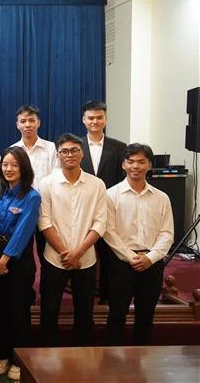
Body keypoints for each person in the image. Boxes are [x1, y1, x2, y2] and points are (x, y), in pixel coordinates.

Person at [38, 133, 107, 346]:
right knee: (49, 312)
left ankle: (83, 362)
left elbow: (100, 223)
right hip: (54, 258)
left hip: (85, 260)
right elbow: (44, 222)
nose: (70, 154)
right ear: (58, 155)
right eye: (65, 151)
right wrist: (65, 252)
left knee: (85, 314)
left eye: (74, 150)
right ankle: (46, 363)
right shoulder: (47, 183)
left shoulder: (97, 185)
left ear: (82, 153)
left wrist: (78, 252)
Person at [0, 147, 40, 381]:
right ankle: (0, 355)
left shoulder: (32, 196)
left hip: (18, 260)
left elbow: (23, 231)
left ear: (23, 167)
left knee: (18, 309)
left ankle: (19, 359)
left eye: (14, 164)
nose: (9, 168)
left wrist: (5, 259)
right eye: (5, 164)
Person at [103, 143, 174, 345]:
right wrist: (130, 257)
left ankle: (142, 364)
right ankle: (113, 365)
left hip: (152, 263)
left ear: (149, 165)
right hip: (121, 263)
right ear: (123, 165)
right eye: (131, 161)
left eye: (141, 162)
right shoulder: (111, 195)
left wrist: (149, 258)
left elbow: (167, 233)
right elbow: (108, 231)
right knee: (116, 315)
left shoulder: (162, 198)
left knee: (146, 316)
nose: (136, 166)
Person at [80, 100, 127, 304]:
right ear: (84, 120)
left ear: (106, 119)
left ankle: (107, 298)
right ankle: (84, 296)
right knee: (84, 254)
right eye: (91, 118)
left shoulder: (119, 147)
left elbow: (121, 180)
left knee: (109, 256)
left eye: (99, 118)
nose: (95, 121)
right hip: (82, 211)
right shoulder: (75, 146)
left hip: (110, 211)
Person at [9, 104, 58, 297]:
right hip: (20, 212)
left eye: (31, 120)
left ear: (38, 123)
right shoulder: (13, 150)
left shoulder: (51, 148)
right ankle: (26, 293)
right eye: (23, 121)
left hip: (46, 209)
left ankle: (48, 293)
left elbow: (55, 179)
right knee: (24, 256)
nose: (27, 124)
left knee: (47, 256)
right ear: (17, 124)